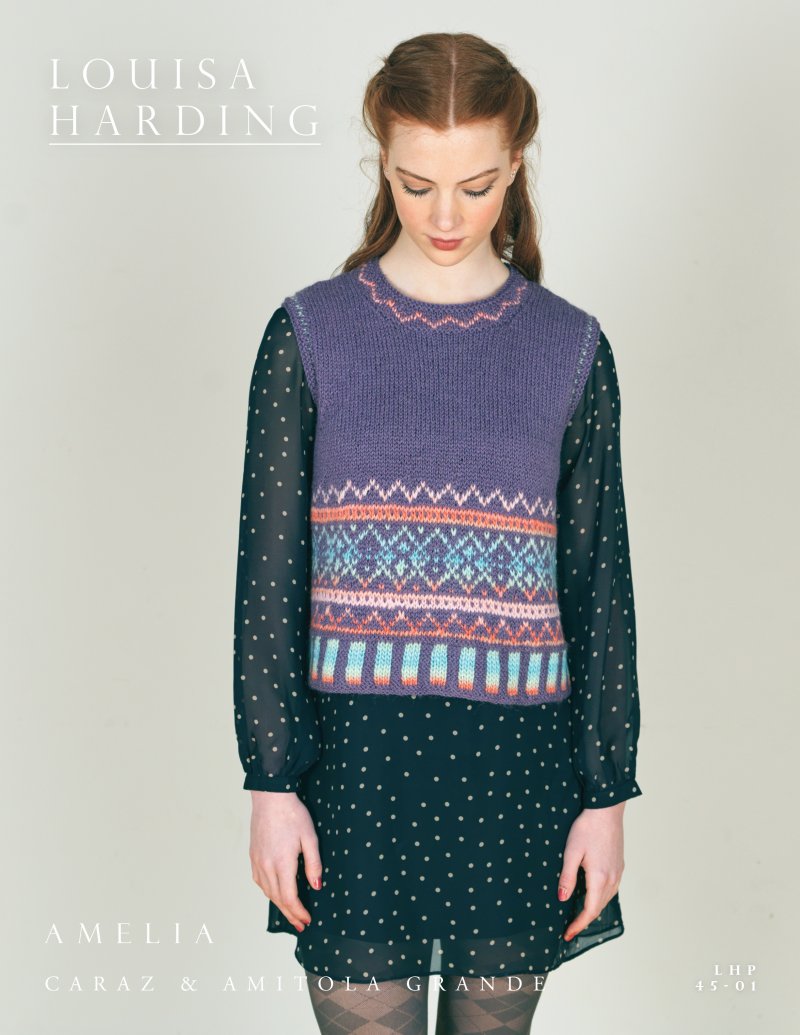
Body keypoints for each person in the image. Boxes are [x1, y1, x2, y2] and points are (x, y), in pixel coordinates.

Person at [232, 31, 643, 1035]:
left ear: (516, 164)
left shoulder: (570, 348)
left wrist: (606, 796)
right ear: (382, 162)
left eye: (476, 185)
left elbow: (598, 584)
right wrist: (271, 782)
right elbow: (269, 578)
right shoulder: (309, 334)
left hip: (517, 775)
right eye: (417, 185)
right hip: (355, 776)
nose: (446, 215)